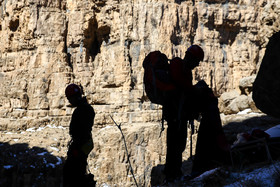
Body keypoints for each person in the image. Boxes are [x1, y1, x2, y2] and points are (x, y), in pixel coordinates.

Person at [162, 45, 204, 182]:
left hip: (179, 114)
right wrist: (195, 90)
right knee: (174, 145)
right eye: (197, 61)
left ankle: (174, 173)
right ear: (190, 57)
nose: (197, 64)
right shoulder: (177, 64)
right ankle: (171, 175)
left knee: (178, 144)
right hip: (174, 114)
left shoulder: (184, 69)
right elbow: (182, 86)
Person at [63, 84, 96, 187]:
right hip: (82, 145)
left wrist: (76, 148)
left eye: (70, 99)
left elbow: (80, 131)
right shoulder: (87, 109)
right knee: (79, 171)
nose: (69, 101)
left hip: (79, 146)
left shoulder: (81, 110)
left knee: (73, 174)